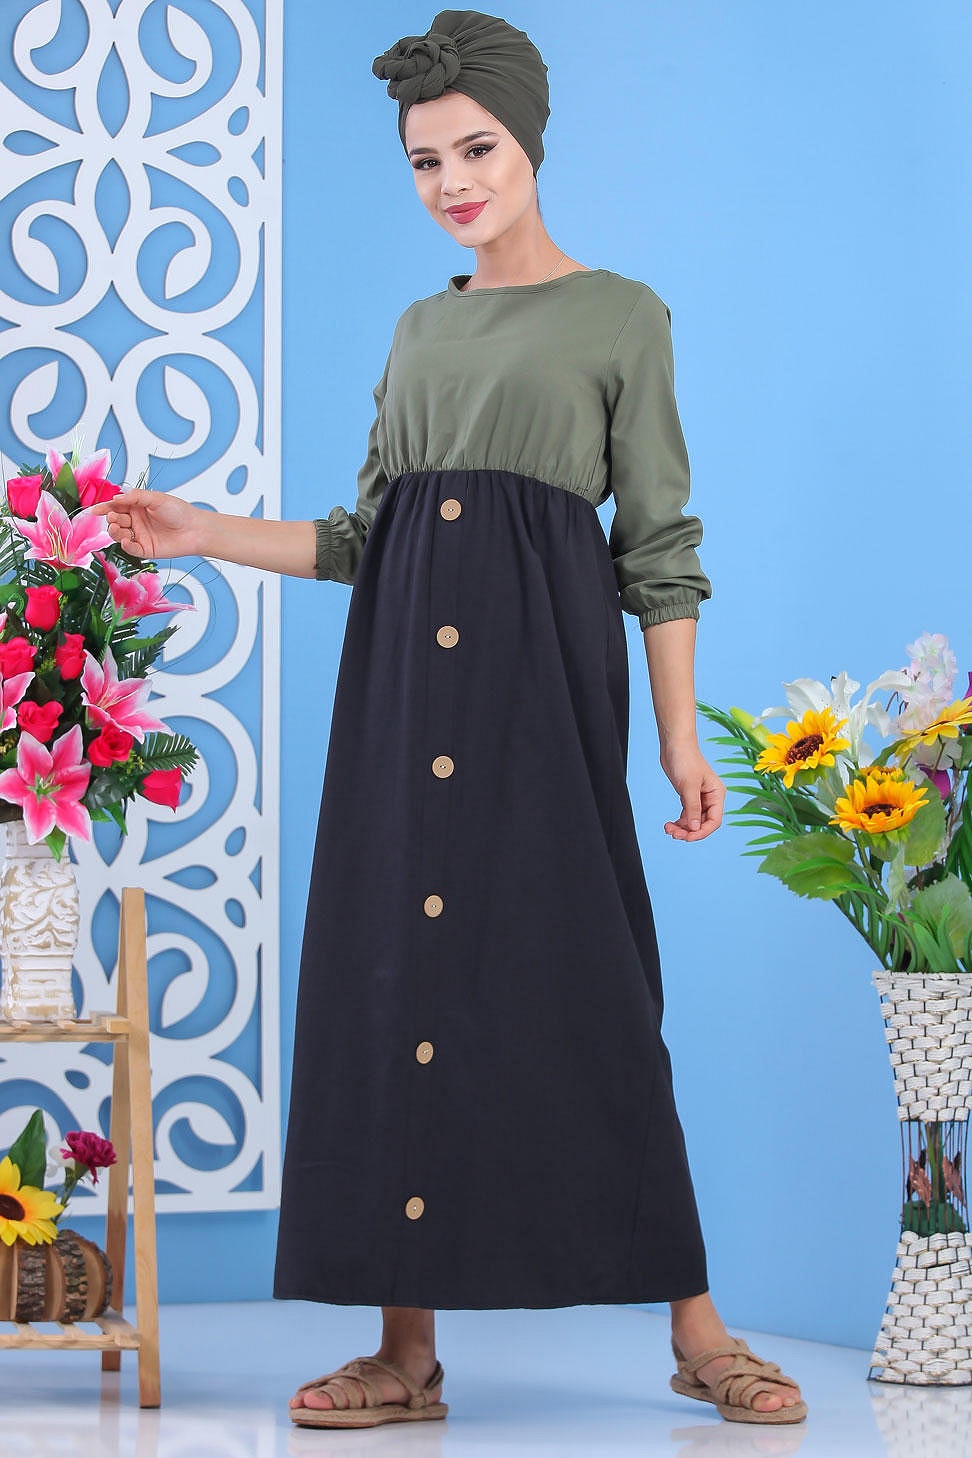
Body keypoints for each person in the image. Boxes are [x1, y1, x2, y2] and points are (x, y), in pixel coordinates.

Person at [101, 8, 807, 1431]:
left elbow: (658, 546)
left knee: (591, 982)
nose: (452, 183)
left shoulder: (622, 316)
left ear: (530, 142)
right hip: (399, 695)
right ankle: (405, 1352)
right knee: (398, 980)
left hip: (543, 692)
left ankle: (695, 1328)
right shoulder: (422, 327)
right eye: (425, 162)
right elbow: (367, 537)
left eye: (476, 150)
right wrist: (202, 531)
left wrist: (678, 737)